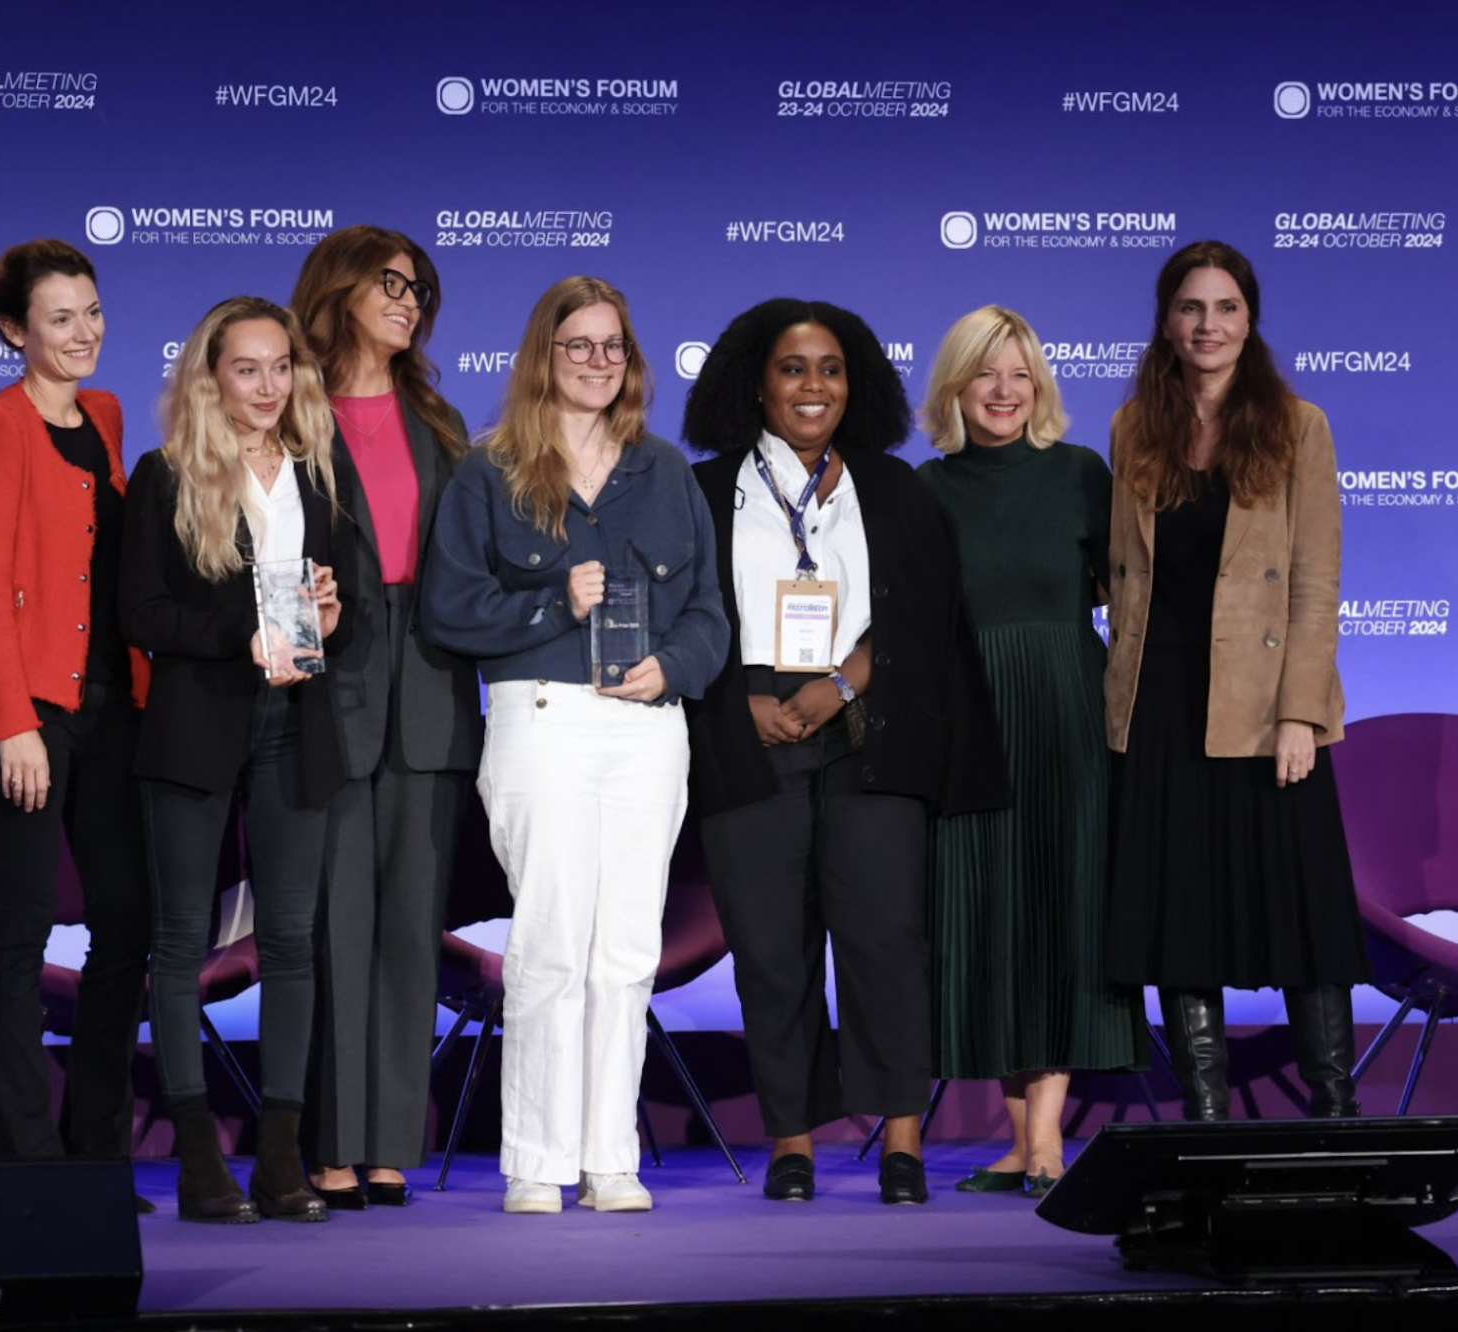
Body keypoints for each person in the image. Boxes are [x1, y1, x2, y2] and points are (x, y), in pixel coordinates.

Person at [680, 299, 1005, 1206]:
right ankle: (793, 1142)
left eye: (829, 368)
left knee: (886, 942)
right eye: (793, 368)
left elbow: (926, 617)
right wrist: (740, 701)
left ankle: (902, 1140)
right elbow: (685, 622)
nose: (812, 385)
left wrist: (845, 683)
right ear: (758, 383)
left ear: (853, 383)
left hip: (871, 736)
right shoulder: (706, 493)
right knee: (771, 951)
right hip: (747, 740)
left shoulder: (897, 491)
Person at [421, 276, 727, 1215]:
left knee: (626, 950)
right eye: (578, 345)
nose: (597, 362)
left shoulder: (665, 470)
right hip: (542, 721)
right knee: (551, 945)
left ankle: (610, 1158)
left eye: (612, 346)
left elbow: (712, 616)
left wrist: (671, 668)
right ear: (542, 358)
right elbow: (449, 608)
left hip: (645, 731)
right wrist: (557, 599)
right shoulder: (492, 470)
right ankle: (534, 1162)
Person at [1101, 240, 1369, 1121]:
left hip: (1266, 712)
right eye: (1190, 308)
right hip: (1161, 703)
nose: (1206, 325)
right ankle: (1207, 1118)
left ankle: (1335, 1113)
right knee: (1182, 918)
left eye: (1224, 308)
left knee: (1303, 913)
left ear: (1249, 320)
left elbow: (1316, 585)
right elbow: (1125, 570)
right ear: (1166, 322)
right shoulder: (1136, 425)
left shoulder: (1300, 425)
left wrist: (1301, 713)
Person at [121, 296, 359, 1223]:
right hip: (198, 726)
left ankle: (279, 1157)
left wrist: (330, 617)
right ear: (211, 377)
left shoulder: (318, 475)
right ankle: (195, 1163)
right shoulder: (168, 475)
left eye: (281, 367)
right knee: (180, 944)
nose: (267, 387)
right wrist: (240, 635)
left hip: (298, 724)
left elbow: (345, 602)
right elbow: (142, 617)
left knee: (293, 943)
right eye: (247, 368)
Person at [917, 306, 1150, 1196]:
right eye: (986, 374)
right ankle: (1020, 1143)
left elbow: (1123, 591)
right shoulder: (926, 492)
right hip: (973, 717)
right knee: (991, 920)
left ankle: (1046, 1138)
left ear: (1040, 387)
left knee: (1062, 913)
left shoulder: (1083, 474)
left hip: (1067, 714)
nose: (1004, 391)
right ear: (955, 388)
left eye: (1019, 375)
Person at [289, 226, 482, 1209]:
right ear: (341, 291)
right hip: (331, 694)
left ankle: (388, 1143)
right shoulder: (289, 413)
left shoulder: (439, 422)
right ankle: (329, 1141)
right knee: (335, 933)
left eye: (420, 289)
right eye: (391, 284)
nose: (409, 302)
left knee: (411, 932)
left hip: (434, 699)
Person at [0, 239, 151, 1172]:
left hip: (111, 711)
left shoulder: (106, 414)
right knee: (22, 930)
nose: (84, 333)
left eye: (93, 312)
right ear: (13, 331)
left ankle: (96, 1152)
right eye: (59, 318)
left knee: (127, 920)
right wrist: (12, 722)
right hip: (26, 712)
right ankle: (28, 1163)